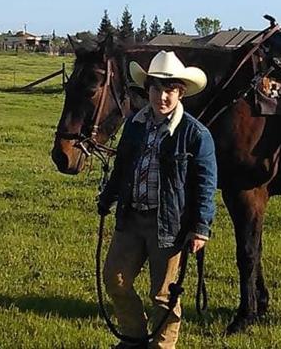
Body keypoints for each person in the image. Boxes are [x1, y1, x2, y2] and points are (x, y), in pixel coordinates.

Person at [98, 51, 217, 349]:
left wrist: (201, 227)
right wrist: (108, 197)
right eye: (156, 88)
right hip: (131, 217)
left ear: (181, 92)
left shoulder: (195, 134)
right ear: (147, 89)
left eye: (169, 90)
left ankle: (162, 346)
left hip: (169, 224)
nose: (162, 97)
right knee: (115, 279)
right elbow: (123, 166)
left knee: (163, 295)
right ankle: (134, 338)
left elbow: (206, 183)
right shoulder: (135, 125)